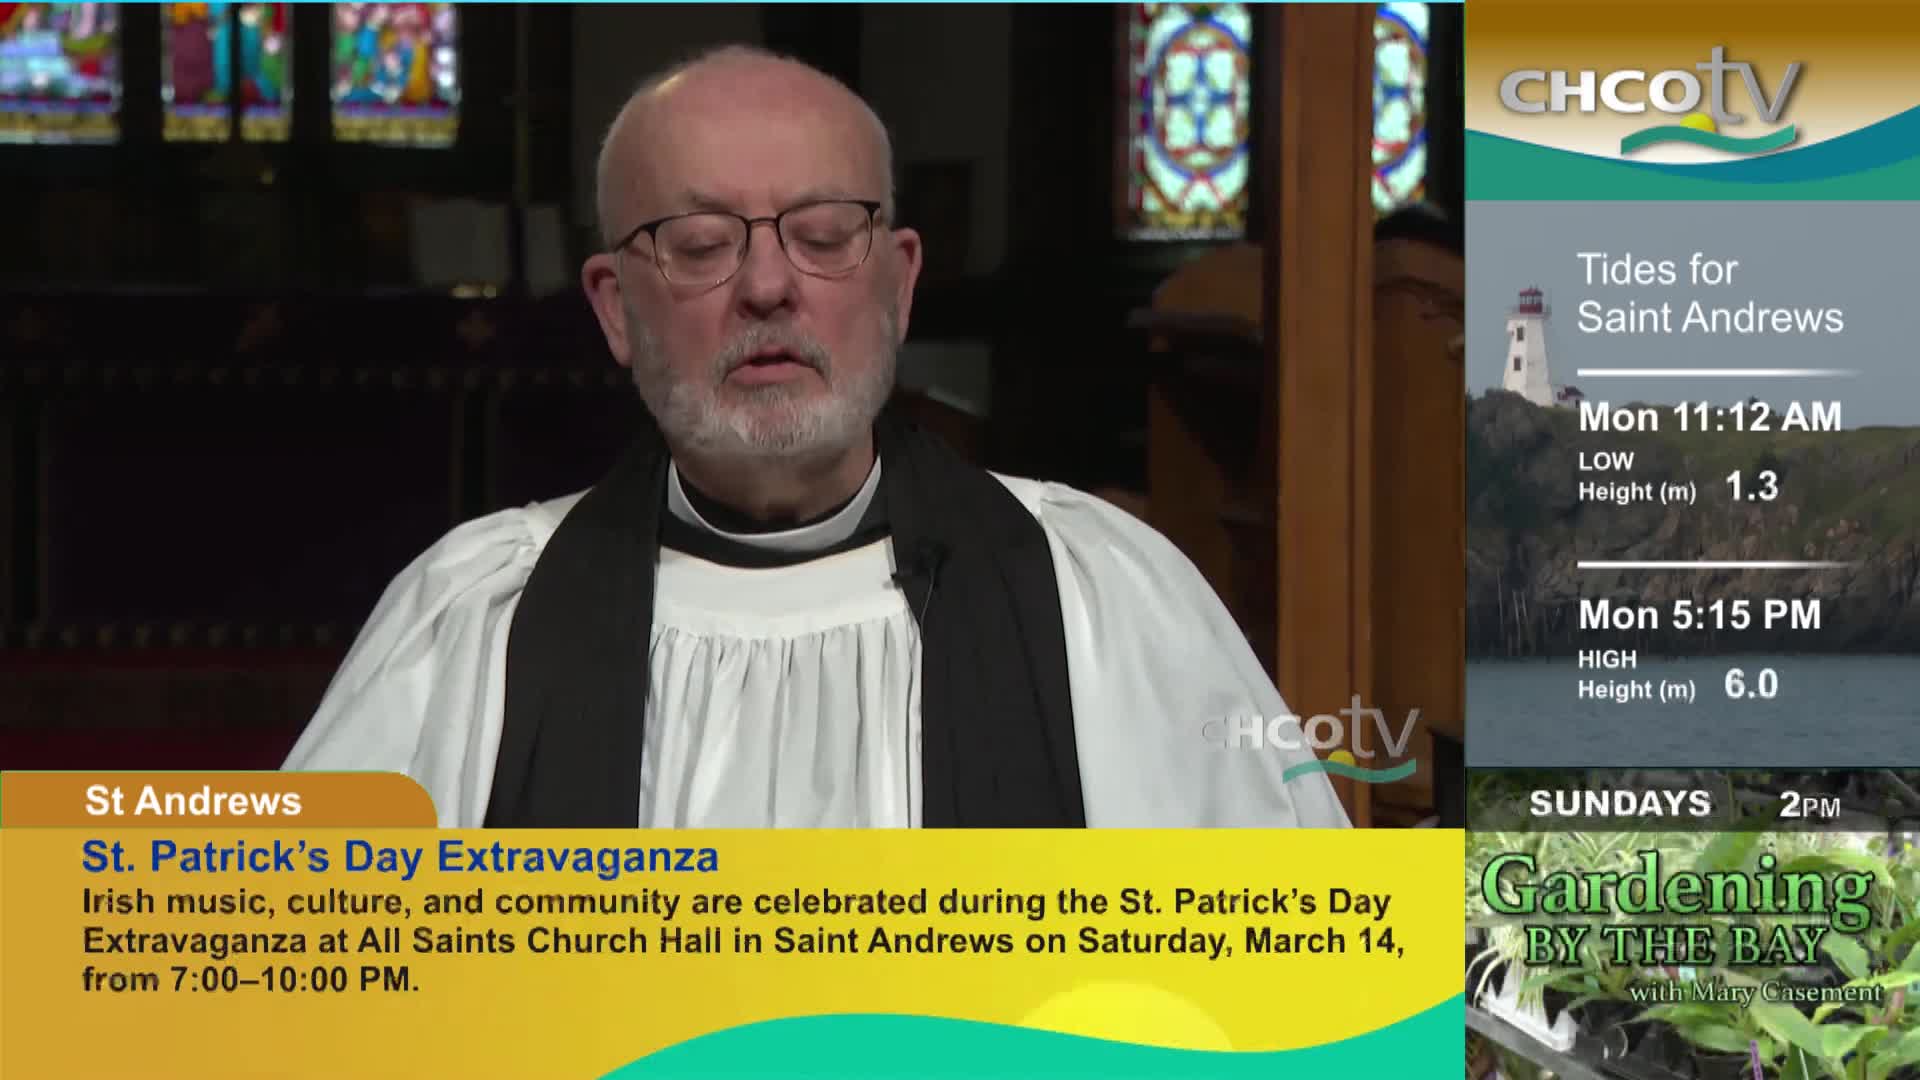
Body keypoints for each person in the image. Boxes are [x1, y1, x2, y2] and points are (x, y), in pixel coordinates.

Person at [282, 44, 1350, 830]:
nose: (766, 285)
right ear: (613, 307)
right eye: (699, 244)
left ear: (900, 280)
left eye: (825, 235)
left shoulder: (1102, 596)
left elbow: (1282, 998)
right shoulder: (474, 618)